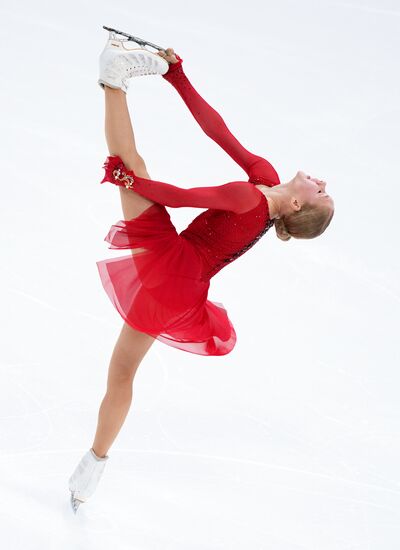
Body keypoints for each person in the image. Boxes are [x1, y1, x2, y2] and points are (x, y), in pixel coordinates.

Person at [68, 32, 335, 512]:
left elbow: (184, 197)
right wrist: (178, 76)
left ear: (296, 204)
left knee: (122, 372)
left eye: (320, 192)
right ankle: (92, 467)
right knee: (123, 374)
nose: (321, 181)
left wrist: (131, 182)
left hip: (173, 276)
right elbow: (218, 130)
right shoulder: (263, 182)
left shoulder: (249, 198)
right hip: (184, 273)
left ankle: (113, 77)